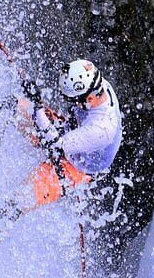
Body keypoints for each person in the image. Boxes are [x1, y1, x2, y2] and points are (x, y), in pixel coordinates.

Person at [18, 58, 122, 211]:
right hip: (72, 131)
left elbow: (56, 145)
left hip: (78, 165)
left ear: (90, 99)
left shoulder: (102, 129)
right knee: (16, 108)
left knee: (21, 200)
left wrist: (38, 107)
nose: (73, 103)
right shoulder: (96, 84)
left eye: (74, 101)